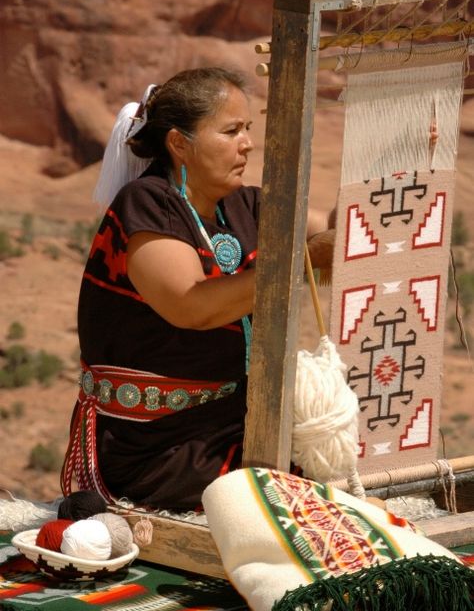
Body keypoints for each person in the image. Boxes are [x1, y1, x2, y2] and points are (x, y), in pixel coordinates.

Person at [61, 67, 334, 510]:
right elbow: (191, 307)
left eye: (247, 128)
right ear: (179, 144)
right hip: (158, 447)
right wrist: (301, 265)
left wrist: (402, 165)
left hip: (230, 424)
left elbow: (338, 227)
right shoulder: (147, 203)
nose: (247, 142)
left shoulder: (247, 205)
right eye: (230, 130)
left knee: (332, 460)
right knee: (293, 500)